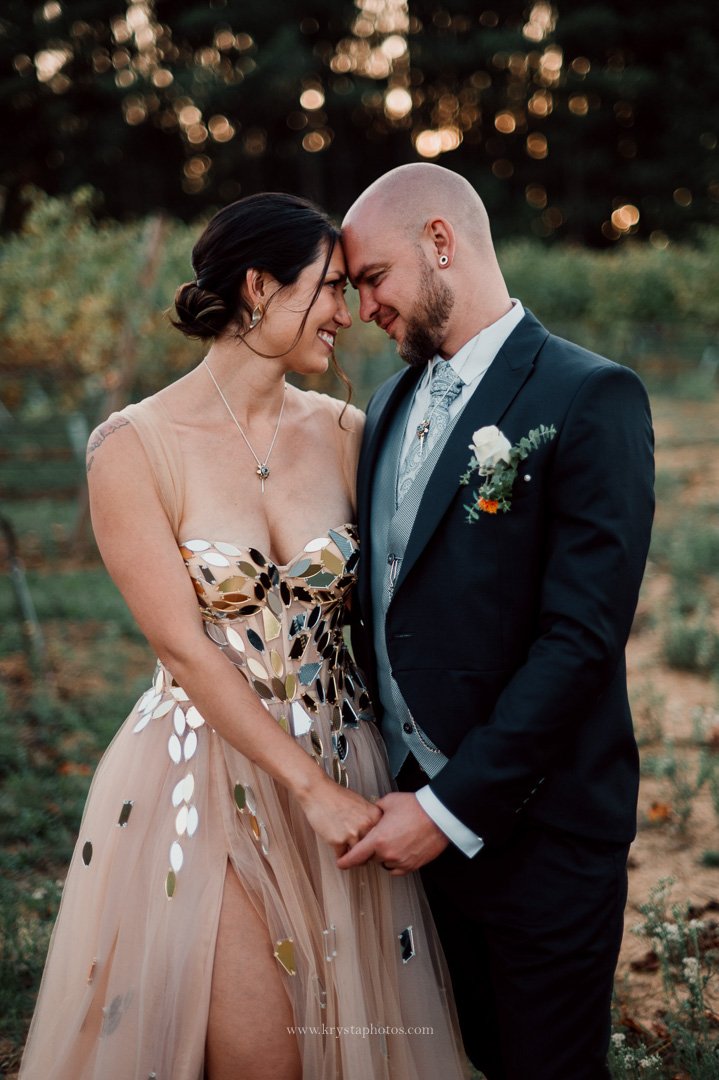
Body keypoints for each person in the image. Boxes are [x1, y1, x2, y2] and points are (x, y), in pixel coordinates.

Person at [19, 193, 468, 1080]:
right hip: (199, 774)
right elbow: (184, 648)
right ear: (259, 288)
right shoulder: (132, 447)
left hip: (346, 762)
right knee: (263, 1056)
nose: (348, 312)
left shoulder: (346, 433)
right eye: (329, 287)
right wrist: (307, 790)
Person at [338, 164, 655, 1080]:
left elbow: (581, 641)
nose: (363, 309)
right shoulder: (388, 405)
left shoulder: (590, 395)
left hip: (540, 833)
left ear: (440, 242)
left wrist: (448, 809)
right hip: (409, 830)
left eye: (373, 279)